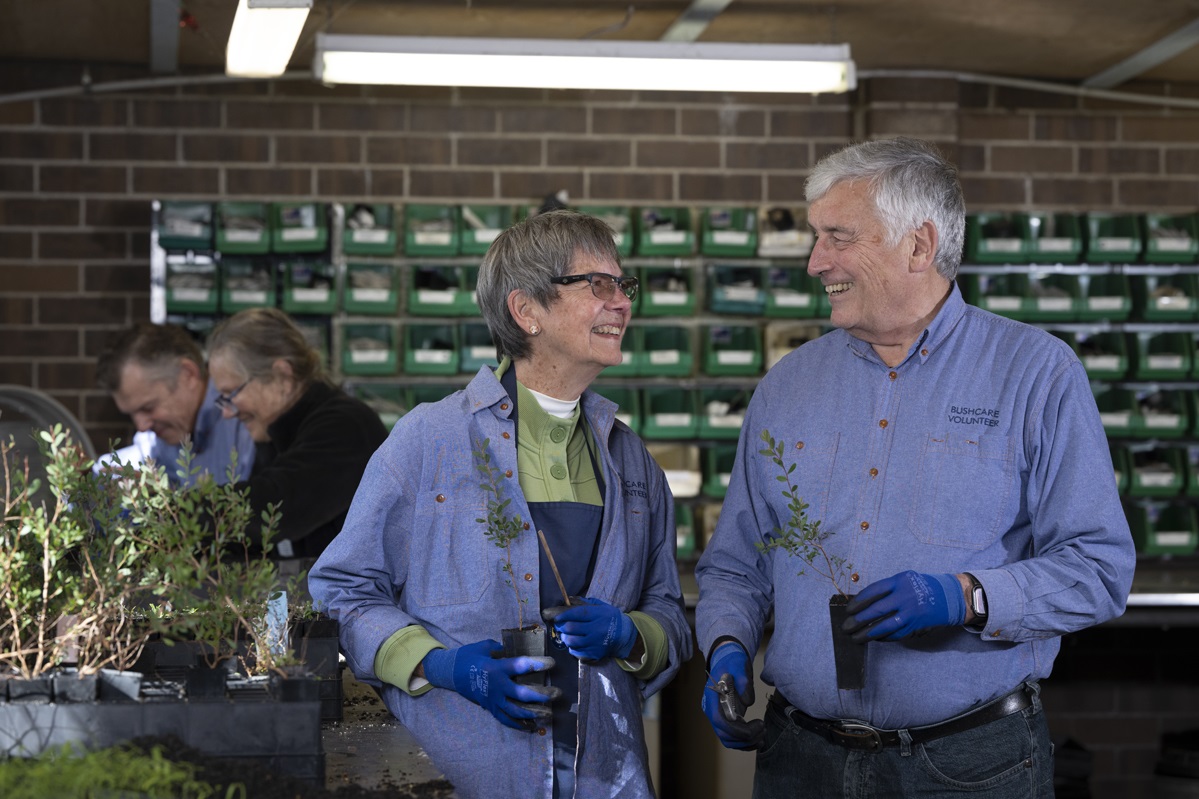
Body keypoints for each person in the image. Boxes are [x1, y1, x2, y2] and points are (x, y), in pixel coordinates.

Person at [694, 137, 1136, 798]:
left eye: (838, 238)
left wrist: (965, 595)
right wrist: (725, 646)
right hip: (799, 760)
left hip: (966, 766)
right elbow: (735, 563)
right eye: (815, 238)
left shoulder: (1035, 374)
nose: (815, 262)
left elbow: (1099, 568)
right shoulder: (786, 386)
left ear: (918, 245)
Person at [308, 210, 691, 799]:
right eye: (599, 284)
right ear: (526, 311)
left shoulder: (630, 457)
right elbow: (342, 588)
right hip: (459, 767)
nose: (620, 303)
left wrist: (631, 633)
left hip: (602, 771)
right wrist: (445, 667)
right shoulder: (429, 440)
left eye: (624, 286)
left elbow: (666, 605)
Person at [205, 308, 387, 562]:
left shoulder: (346, 426)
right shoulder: (280, 434)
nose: (227, 413)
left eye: (231, 394)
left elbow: (276, 509)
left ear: (282, 376)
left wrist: (175, 512)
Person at [96, 321, 255, 486]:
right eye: (131, 414)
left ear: (187, 374)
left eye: (148, 408)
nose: (142, 426)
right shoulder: (163, 435)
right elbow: (117, 466)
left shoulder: (244, 423)